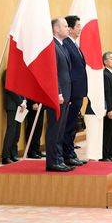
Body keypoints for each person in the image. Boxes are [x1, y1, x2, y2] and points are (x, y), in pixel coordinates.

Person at [46, 18, 73, 172]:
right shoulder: (52, 46)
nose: (68, 28)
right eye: (65, 26)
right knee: (55, 129)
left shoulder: (61, 45)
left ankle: (59, 158)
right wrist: (58, 92)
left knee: (61, 129)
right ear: (56, 29)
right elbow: (52, 73)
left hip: (65, 95)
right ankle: (53, 161)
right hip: (57, 95)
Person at [62, 15, 88, 166]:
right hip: (71, 92)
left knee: (72, 125)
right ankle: (67, 154)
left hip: (78, 91)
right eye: (78, 26)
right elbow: (68, 71)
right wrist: (69, 93)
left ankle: (71, 152)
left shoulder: (74, 44)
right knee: (69, 124)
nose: (80, 29)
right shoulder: (65, 44)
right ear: (70, 28)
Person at [1, 69, 26, 164]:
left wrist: (24, 101)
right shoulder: (7, 72)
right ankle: (5, 156)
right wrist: (20, 102)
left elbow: (22, 88)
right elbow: (10, 89)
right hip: (12, 105)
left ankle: (13, 154)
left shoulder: (18, 73)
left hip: (20, 106)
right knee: (11, 131)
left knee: (17, 132)